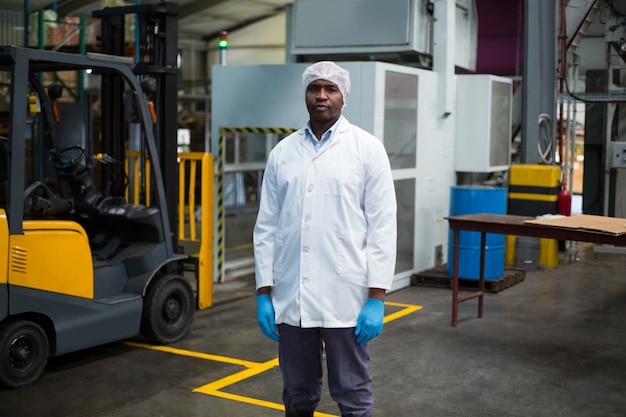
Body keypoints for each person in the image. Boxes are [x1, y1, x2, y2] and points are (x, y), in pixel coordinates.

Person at [253, 61, 397, 417]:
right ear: (305, 95)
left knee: (352, 393)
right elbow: (266, 226)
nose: (321, 96)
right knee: (297, 393)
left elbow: (383, 224)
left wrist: (376, 297)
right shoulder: (283, 153)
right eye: (314, 88)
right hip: (292, 298)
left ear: (343, 97)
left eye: (330, 89)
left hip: (345, 299)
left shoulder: (367, 149)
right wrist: (264, 293)